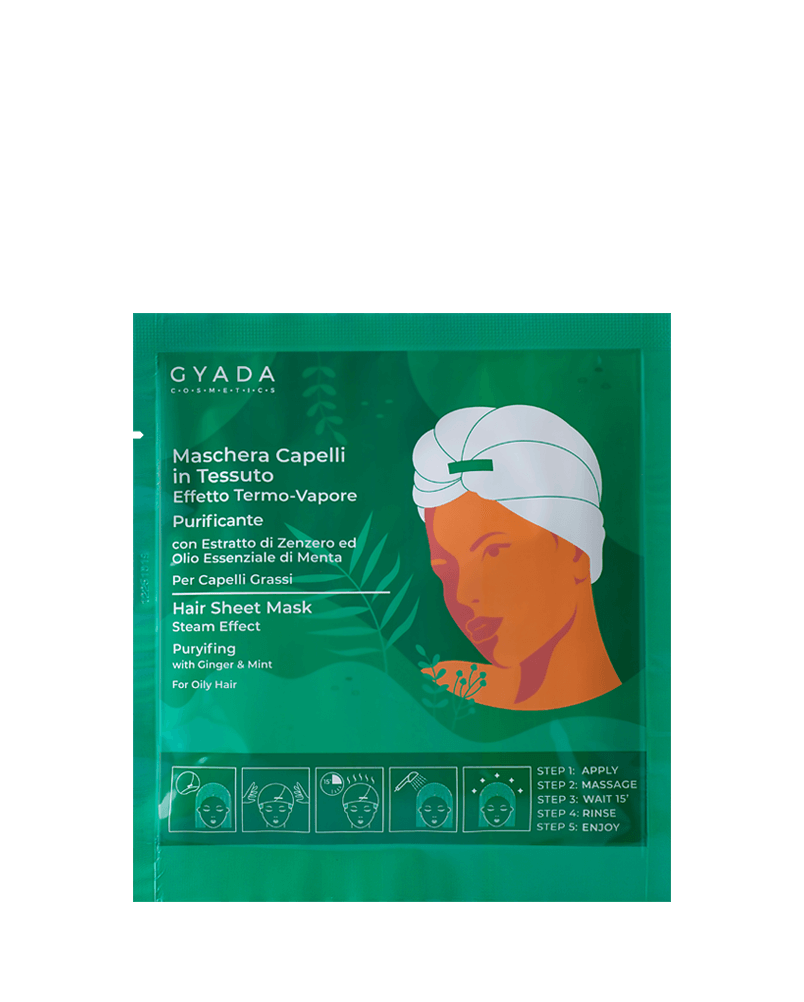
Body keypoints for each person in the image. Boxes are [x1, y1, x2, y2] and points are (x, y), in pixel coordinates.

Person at [412, 404, 621, 711]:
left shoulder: (637, 712)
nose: (464, 596)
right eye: (446, 573)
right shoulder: (437, 693)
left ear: (579, 553)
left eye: (494, 553)